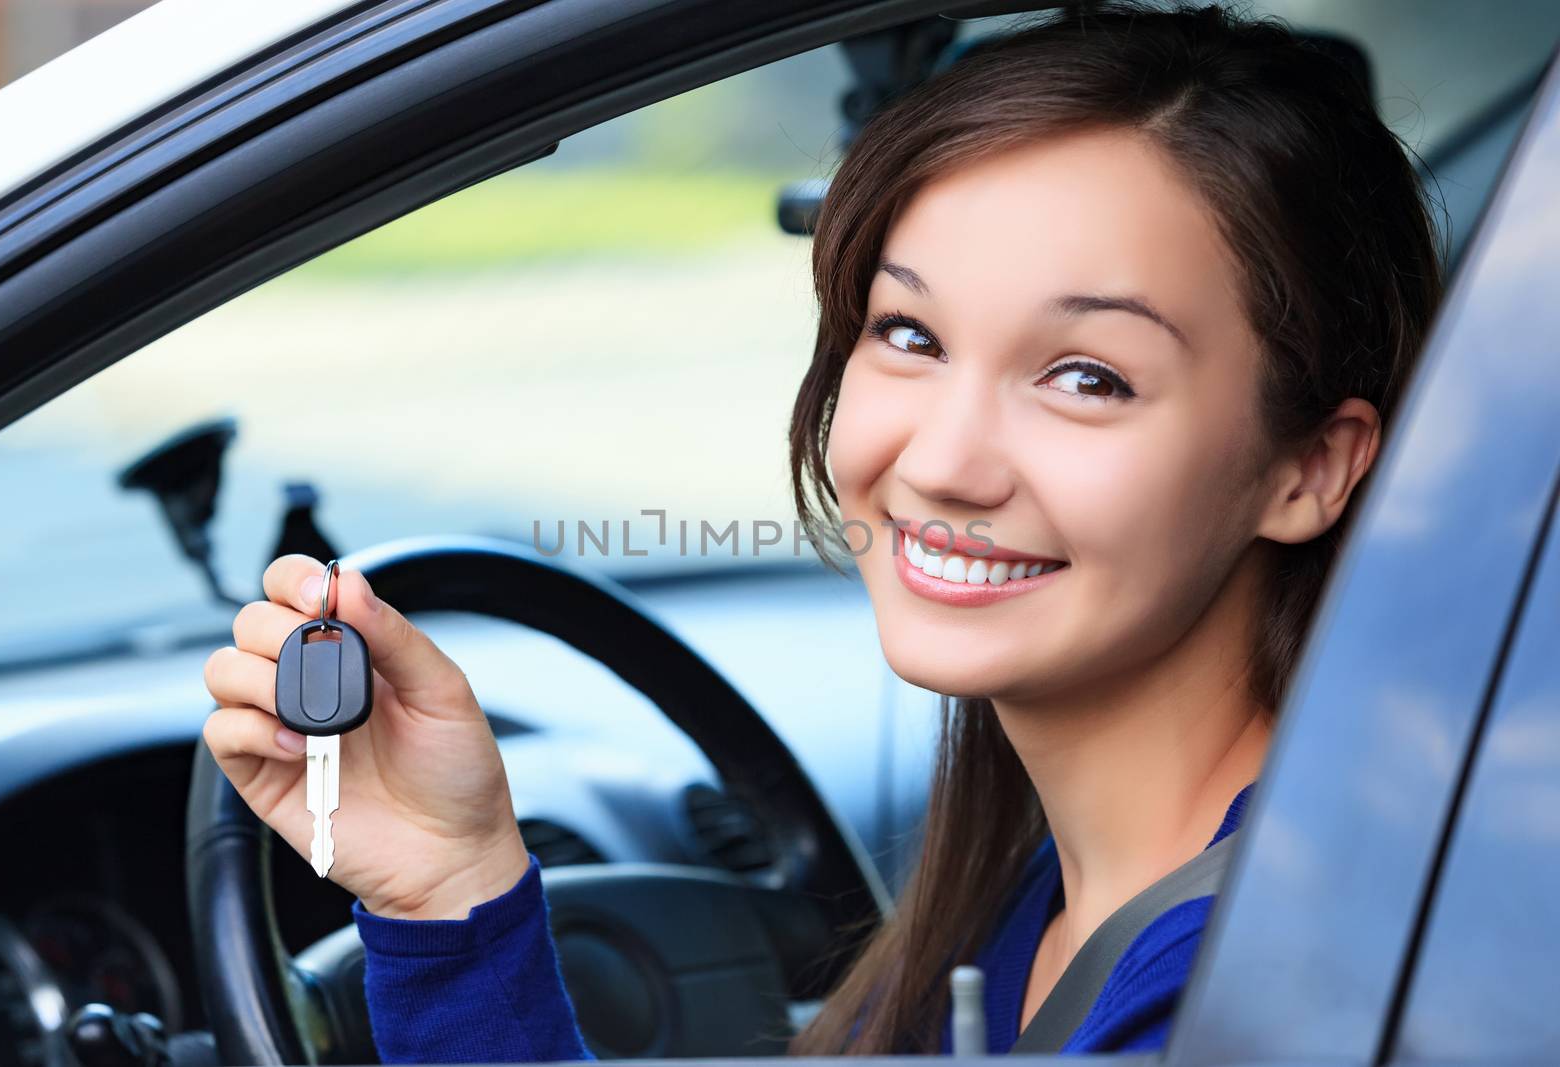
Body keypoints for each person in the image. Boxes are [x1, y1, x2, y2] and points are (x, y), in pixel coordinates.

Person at [200, 1, 1444, 1059]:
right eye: (909, 334)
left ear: (1310, 468)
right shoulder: (1057, 893)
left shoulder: (1242, 989)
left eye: (1085, 376)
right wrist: (450, 886)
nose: (944, 461)